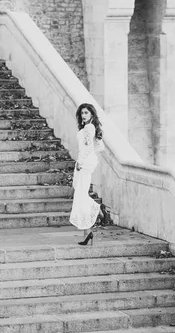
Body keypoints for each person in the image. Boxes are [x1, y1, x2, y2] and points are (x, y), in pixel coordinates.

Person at [69, 103, 106, 246]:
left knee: (81, 194)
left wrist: (81, 161)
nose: (83, 115)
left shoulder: (89, 128)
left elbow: (88, 148)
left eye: (86, 113)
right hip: (86, 162)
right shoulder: (89, 128)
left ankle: (98, 210)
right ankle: (87, 232)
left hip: (84, 164)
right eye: (82, 113)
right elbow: (99, 146)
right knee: (80, 195)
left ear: (92, 114)